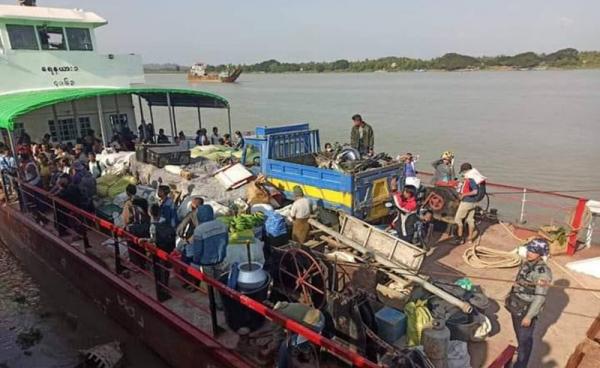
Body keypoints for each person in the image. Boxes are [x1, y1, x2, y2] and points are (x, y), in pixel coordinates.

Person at [505, 238, 552, 368]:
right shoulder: (527, 263)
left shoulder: (543, 273)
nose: (529, 252)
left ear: (541, 253)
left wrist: (529, 316)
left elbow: (540, 297)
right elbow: (518, 281)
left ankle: (521, 364)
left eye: (533, 251)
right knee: (520, 336)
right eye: (529, 249)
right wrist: (510, 295)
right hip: (516, 305)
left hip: (526, 309)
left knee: (525, 340)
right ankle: (520, 352)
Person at [274, 301, 325, 368]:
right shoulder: (291, 306)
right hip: (320, 318)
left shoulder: (281, 314)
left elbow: (279, 332)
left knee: (285, 346)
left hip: (313, 325)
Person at [191, 204, 228, 280]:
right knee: (219, 281)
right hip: (220, 259)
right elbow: (226, 242)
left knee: (210, 282)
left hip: (206, 262)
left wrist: (196, 260)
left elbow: (198, 250)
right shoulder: (222, 225)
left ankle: (212, 292)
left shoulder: (199, 230)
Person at [453, 162, 485, 245]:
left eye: (463, 172)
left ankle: (459, 239)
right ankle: (470, 239)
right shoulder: (476, 176)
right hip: (474, 202)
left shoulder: (470, 178)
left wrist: (463, 194)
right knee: (470, 220)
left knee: (457, 219)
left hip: (466, 202)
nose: (463, 174)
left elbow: (475, 191)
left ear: (465, 170)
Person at [148, 203, 176, 302]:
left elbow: (153, 239)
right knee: (166, 269)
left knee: (159, 270)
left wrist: (146, 240)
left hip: (158, 250)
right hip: (168, 249)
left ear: (150, 214)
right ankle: (166, 286)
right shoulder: (166, 222)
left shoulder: (152, 226)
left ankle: (162, 289)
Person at [176, 196, 204, 290]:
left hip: (191, 243)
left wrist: (185, 239)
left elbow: (181, 228)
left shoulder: (192, 214)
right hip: (201, 244)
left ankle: (190, 283)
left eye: (192, 203)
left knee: (187, 263)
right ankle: (194, 283)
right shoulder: (206, 215)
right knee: (196, 264)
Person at [126, 197, 151, 270]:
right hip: (139, 235)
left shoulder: (147, 216)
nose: (135, 209)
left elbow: (145, 228)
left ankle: (138, 264)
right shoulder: (139, 214)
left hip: (145, 237)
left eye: (136, 207)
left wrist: (132, 228)